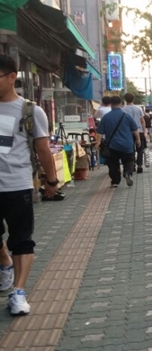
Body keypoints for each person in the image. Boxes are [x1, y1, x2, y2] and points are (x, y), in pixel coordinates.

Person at [0, 53, 59, 316]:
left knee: (21, 240)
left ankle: (19, 292)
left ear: (12, 77)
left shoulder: (30, 110)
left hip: (17, 185)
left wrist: (51, 180)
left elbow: (43, 149)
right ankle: (5, 261)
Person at [98, 96, 141, 187]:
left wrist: (98, 143)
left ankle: (115, 181)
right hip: (127, 145)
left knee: (113, 163)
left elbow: (100, 132)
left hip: (112, 146)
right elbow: (135, 129)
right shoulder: (127, 116)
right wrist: (138, 139)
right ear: (121, 104)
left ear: (111, 105)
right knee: (129, 161)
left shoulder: (106, 117)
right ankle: (127, 173)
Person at [122, 93, 146, 173]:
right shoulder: (138, 108)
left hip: (128, 132)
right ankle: (140, 165)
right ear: (133, 99)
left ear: (125, 99)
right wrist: (144, 132)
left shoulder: (123, 110)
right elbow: (142, 121)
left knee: (130, 150)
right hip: (139, 131)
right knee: (140, 149)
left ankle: (132, 165)